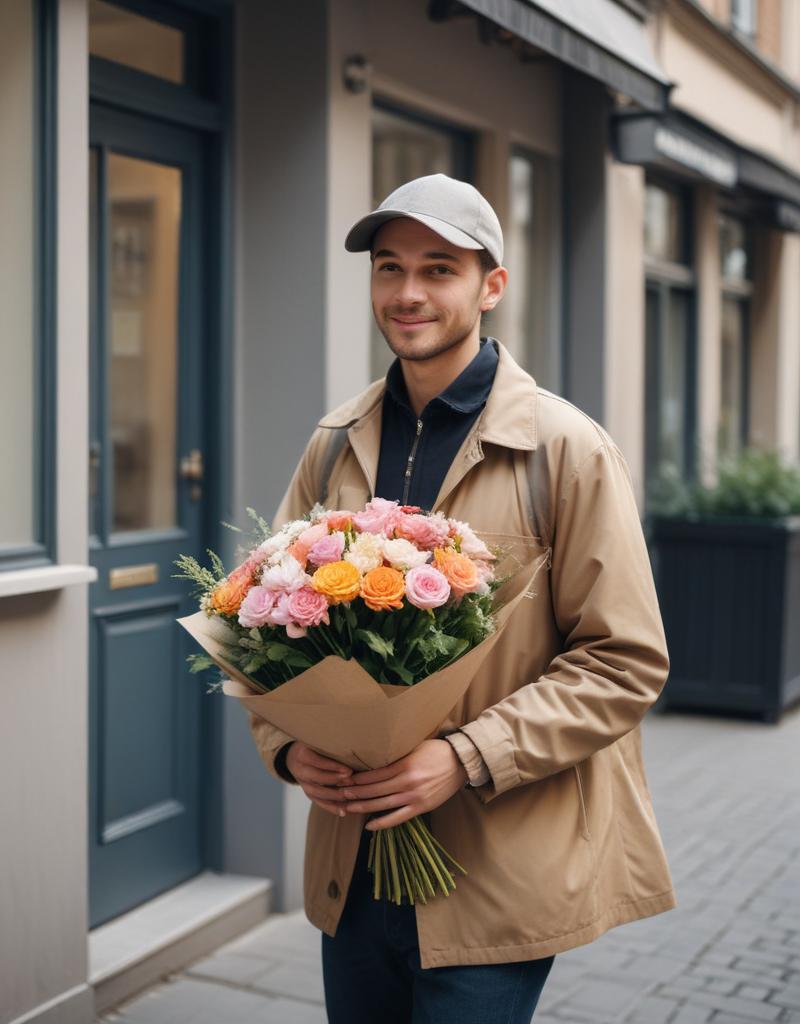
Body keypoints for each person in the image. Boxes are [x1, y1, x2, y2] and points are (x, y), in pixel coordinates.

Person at [247, 174, 677, 1024]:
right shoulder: (333, 443)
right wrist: (291, 750)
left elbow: (625, 661)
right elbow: (262, 623)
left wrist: (467, 755)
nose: (408, 293)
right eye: (388, 267)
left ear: (491, 286)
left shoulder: (565, 448)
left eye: (438, 269)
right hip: (358, 860)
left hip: (499, 870)